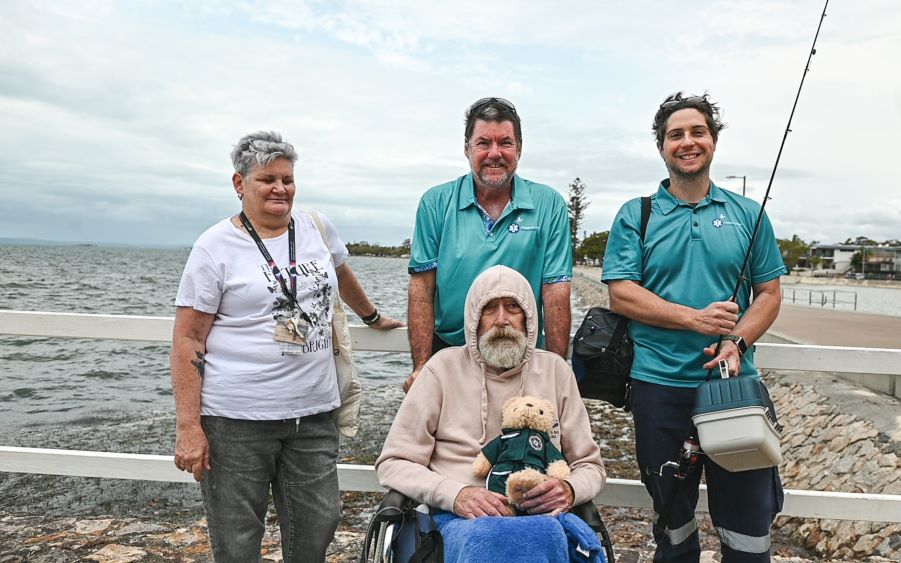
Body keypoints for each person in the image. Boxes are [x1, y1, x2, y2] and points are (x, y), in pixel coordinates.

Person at [171, 131, 403, 562]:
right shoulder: (213, 247)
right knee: (237, 539)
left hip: (312, 414)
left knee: (320, 521)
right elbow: (188, 337)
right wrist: (189, 426)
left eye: (287, 179)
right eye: (267, 180)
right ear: (239, 184)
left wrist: (372, 317)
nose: (280, 188)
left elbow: (340, 272)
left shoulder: (317, 228)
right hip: (236, 420)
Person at [602, 93, 787, 563]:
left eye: (697, 132)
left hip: (733, 389)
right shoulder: (637, 214)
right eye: (676, 135)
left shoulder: (749, 214)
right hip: (658, 389)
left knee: (749, 528)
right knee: (673, 526)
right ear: (661, 147)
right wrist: (695, 319)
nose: (687, 142)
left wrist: (737, 340)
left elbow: (769, 293)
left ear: (713, 140)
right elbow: (621, 293)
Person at [376, 265, 605, 559]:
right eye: (489, 309)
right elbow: (394, 463)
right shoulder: (441, 369)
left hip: (542, 517)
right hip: (459, 519)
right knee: (492, 537)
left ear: (529, 318)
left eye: (513, 307)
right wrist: (455, 495)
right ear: (473, 318)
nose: (501, 320)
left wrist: (570, 489)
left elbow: (591, 467)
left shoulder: (555, 372)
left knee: (543, 533)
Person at [405, 97, 573, 391]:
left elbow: (556, 292)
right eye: (483, 143)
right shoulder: (436, 202)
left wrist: (556, 371)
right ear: (467, 148)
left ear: (519, 149)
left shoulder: (549, 204)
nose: (495, 153)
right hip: (451, 352)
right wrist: (421, 366)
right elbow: (422, 288)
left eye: (505, 143)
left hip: (521, 353)